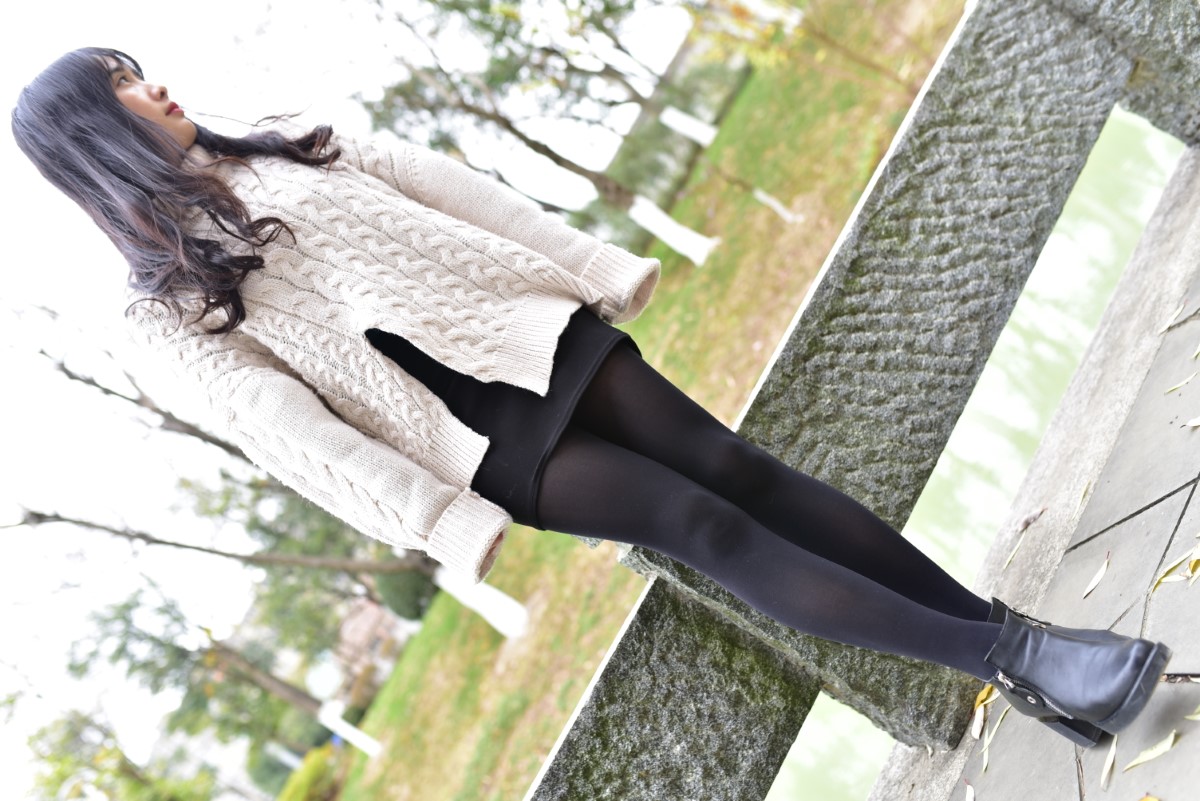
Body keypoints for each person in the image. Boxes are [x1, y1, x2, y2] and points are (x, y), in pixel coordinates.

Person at [12, 47, 1170, 749]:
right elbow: (293, 437)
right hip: (473, 436)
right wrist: (431, 515)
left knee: (740, 471)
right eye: (127, 88)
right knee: (703, 525)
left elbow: (459, 193)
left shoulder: (283, 141)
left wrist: (592, 266)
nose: (157, 87)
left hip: (537, 334)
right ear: (95, 139)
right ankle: (1021, 656)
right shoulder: (162, 312)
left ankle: (1029, 653)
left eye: (139, 70)